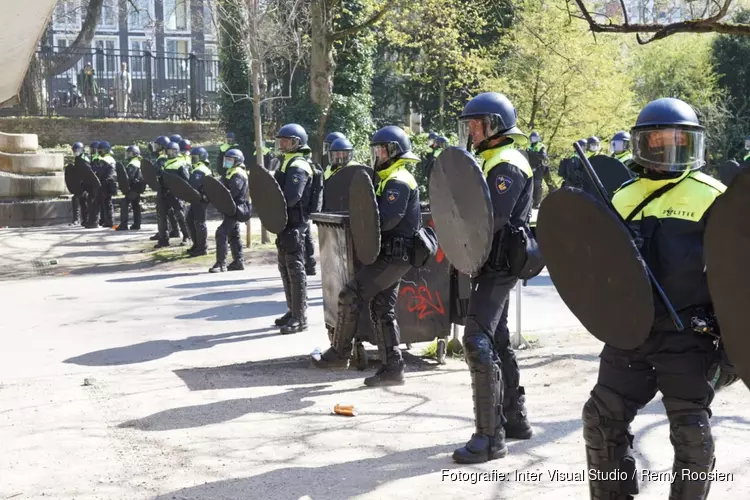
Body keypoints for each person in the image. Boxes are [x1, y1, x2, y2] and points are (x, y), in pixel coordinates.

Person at [582, 98, 728, 499]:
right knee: (600, 420)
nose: (666, 149)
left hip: (687, 335)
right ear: (642, 144)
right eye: (657, 141)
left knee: (690, 431)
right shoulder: (622, 197)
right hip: (630, 332)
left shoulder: (714, 196)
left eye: (677, 141)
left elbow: (736, 275)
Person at [450, 92, 534, 464]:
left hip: (499, 264)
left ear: (494, 125)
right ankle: (515, 420)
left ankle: (490, 437)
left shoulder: (507, 163)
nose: (470, 130)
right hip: (488, 262)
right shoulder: (487, 159)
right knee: (497, 339)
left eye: (476, 123)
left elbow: (491, 218)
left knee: (476, 339)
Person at [311, 126, 421, 387]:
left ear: (395, 151)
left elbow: (387, 219)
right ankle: (393, 368)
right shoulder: (387, 177)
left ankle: (339, 354)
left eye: (383, 149)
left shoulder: (399, 180)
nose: (378, 154)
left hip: (396, 255)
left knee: (351, 294)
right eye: (376, 149)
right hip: (392, 254)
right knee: (382, 307)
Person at [272, 123, 315, 334]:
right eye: (281, 140)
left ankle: (300, 317)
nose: (282, 143)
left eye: (286, 140)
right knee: (284, 268)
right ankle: (292, 310)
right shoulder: (286, 162)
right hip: (284, 223)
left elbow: (291, 196)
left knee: (296, 270)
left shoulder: (299, 166)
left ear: (297, 143)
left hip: (295, 224)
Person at [209, 149, 248, 272]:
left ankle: (221, 264)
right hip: (231, 208)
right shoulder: (231, 172)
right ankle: (238, 262)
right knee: (234, 235)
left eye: (230, 159)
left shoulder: (238, 173)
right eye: (226, 159)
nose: (227, 162)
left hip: (235, 208)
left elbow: (233, 192)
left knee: (221, 232)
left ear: (237, 161)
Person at [154, 142, 191, 248]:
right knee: (161, 217)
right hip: (163, 193)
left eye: (172, 151)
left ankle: (187, 237)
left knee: (180, 215)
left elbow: (186, 179)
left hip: (176, 194)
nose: (170, 154)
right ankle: (164, 240)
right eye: (168, 151)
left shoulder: (181, 164)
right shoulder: (163, 163)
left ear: (177, 151)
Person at [187, 146, 212, 257]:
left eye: (195, 157)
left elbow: (195, 185)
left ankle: (202, 247)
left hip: (201, 199)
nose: (193, 159)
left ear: (201, 158)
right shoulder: (197, 168)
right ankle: (196, 244)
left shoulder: (200, 169)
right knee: (190, 220)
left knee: (199, 223)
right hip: (195, 198)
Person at [117, 145, 145, 231]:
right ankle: (137, 224)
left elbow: (129, 177)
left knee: (125, 203)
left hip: (133, 188)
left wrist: (125, 187)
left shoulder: (133, 163)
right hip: (138, 188)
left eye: (129, 153)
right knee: (135, 205)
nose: (127, 155)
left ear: (135, 154)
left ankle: (123, 224)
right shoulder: (139, 161)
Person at [526, 131, 555, 209]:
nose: (534, 139)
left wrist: (532, 153)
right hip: (530, 168)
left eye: (535, 138)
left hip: (539, 168)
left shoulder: (541, 146)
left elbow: (542, 156)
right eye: (532, 138)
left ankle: (537, 203)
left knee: (537, 185)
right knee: (529, 185)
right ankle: (530, 202)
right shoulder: (528, 147)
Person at [94, 141, 117, 228]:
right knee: (107, 202)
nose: (100, 151)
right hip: (110, 182)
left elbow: (99, 170)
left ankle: (109, 222)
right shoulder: (110, 158)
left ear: (106, 150)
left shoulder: (105, 159)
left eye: (102, 150)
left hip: (105, 183)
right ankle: (107, 221)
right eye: (99, 150)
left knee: (106, 203)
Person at [68, 142, 89, 226]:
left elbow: (87, 171)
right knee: (79, 199)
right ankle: (82, 220)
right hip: (81, 183)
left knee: (80, 199)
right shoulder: (78, 158)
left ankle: (79, 220)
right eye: (74, 150)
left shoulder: (84, 158)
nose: (75, 151)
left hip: (86, 183)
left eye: (77, 150)